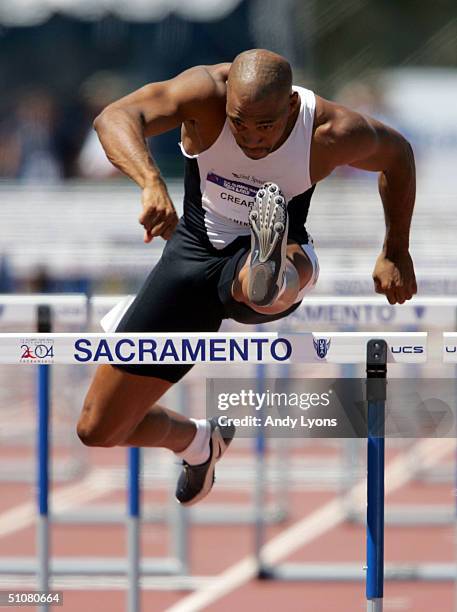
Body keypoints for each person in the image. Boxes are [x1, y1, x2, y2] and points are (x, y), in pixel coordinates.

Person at [76, 49, 417, 506]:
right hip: (193, 252)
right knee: (98, 428)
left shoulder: (331, 130)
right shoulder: (204, 93)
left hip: (281, 250)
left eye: (266, 126)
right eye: (239, 122)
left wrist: (395, 250)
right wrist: (150, 181)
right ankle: (199, 442)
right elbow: (115, 117)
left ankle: (268, 269)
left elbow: (398, 156)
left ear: (292, 108)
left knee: (260, 289)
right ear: (225, 103)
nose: (251, 138)